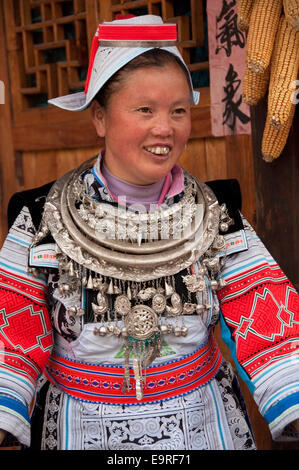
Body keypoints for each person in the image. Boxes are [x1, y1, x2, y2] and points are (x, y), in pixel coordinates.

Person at [0, 14, 298, 451]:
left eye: (179, 111)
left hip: (200, 425)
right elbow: (13, 331)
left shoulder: (216, 216)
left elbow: (269, 320)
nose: (165, 128)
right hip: (81, 427)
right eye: (145, 110)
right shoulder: (41, 218)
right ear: (100, 117)